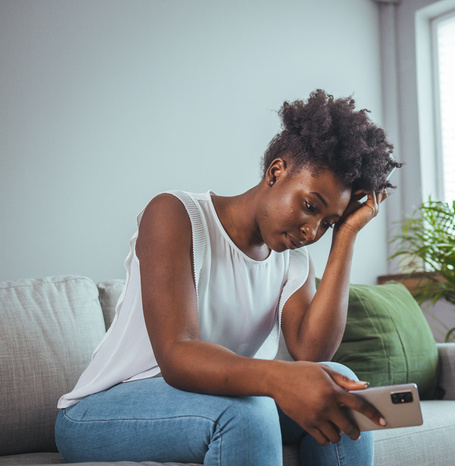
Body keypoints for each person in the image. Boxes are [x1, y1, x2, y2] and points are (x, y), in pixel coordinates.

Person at [54, 89, 402, 465]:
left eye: (326, 223)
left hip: (210, 401)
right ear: (276, 171)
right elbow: (176, 353)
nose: (311, 232)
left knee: (340, 392)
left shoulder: (294, 261)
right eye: (309, 207)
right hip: (101, 410)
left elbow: (312, 355)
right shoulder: (175, 215)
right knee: (247, 415)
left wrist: (346, 235)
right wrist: (276, 378)